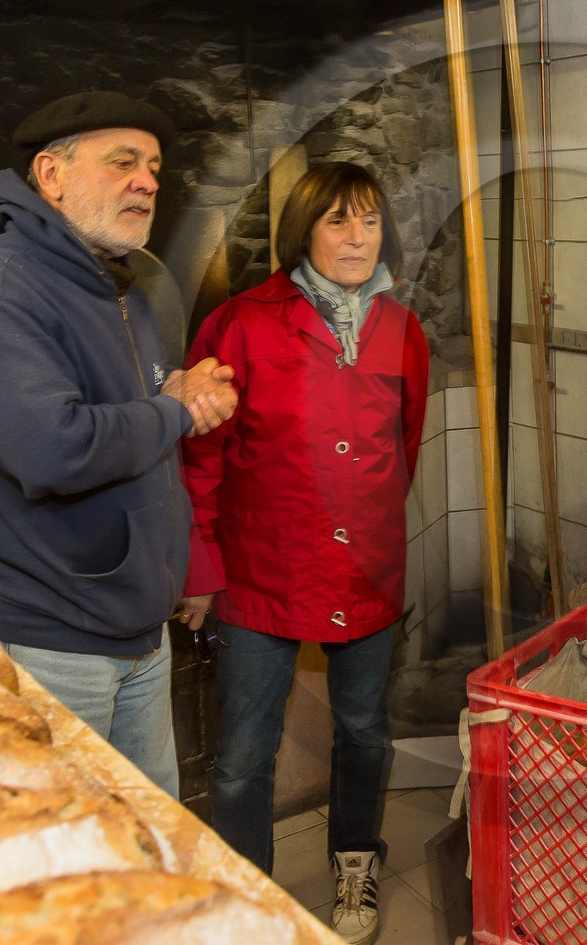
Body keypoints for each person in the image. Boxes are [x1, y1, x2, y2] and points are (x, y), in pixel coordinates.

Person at [0, 91, 238, 797]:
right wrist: (174, 409)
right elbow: (52, 448)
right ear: (51, 174)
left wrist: (183, 559)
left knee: (145, 842)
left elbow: (137, 414)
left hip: (137, 633)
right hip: (49, 641)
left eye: (155, 167)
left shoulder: (121, 289)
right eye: (123, 162)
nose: (148, 181)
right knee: (68, 865)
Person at [180, 161, 429, 944]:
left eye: (369, 221)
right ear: (303, 232)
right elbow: (202, 457)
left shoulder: (400, 328)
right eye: (337, 221)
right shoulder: (243, 323)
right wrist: (200, 569)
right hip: (263, 570)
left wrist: (365, 519)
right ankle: (247, 895)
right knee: (244, 753)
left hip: (366, 570)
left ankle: (357, 858)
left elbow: (405, 443)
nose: (357, 238)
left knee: (364, 730)